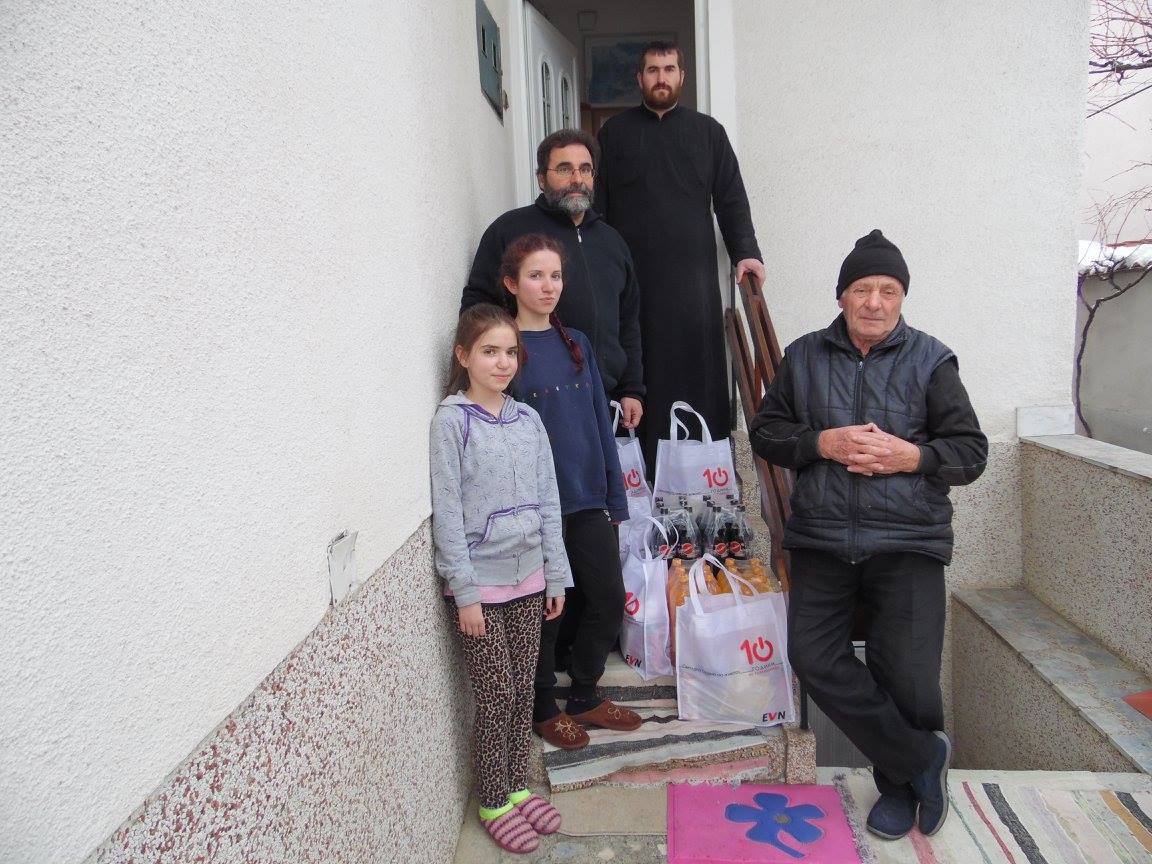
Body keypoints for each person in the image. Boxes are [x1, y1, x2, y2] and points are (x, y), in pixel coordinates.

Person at [749, 229, 988, 841]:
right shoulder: (804, 356)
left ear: (902, 298)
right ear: (842, 297)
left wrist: (914, 457)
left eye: (888, 290)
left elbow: (970, 452)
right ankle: (920, 758)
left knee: (908, 673)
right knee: (812, 656)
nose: (874, 302)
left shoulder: (932, 360)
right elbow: (766, 433)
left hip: (908, 540)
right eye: (862, 289)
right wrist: (821, 442)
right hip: (823, 538)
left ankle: (898, 787)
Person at [429, 303, 569, 854]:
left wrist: (555, 574)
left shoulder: (528, 420)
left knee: (523, 689)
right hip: (480, 588)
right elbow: (447, 511)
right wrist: (464, 593)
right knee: (496, 695)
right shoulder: (452, 422)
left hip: (530, 578)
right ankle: (492, 798)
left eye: (510, 352)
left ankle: (516, 786)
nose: (503, 362)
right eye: (489, 351)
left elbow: (549, 499)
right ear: (463, 355)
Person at [500, 234, 643, 750]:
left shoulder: (576, 341)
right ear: (511, 283)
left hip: (587, 499)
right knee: (547, 608)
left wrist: (615, 498)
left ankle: (584, 693)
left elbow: (600, 424)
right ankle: (542, 706)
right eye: (535, 276)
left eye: (556, 275)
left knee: (607, 597)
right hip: (536, 507)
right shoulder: (505, 349)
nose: (548, 286)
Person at [595, 40, 764, 471]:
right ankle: (639, 475)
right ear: (639, 78)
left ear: (682, 77)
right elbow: (599, 207)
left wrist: (746, 253)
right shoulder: (613, 135)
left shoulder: (709, 133)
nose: (661, 78)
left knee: (696, 372)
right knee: (638, 369)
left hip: (693, 286)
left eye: (669, 69)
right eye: (652, 70)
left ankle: (702, 476)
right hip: (633, 284)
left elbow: (731, 199)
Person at [462, 128, 645, 432]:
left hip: (603, 398)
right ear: (541, 178)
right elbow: (476, 310)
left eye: (585, 169)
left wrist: (632, 388)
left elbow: (628, 321)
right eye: (564, 169)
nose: (576, 179)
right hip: (531, 398)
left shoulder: (613, 242)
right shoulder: (509, 230)